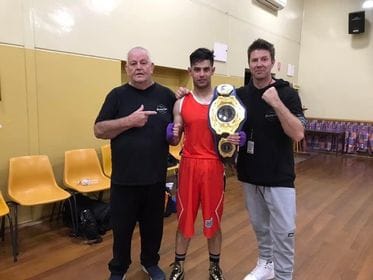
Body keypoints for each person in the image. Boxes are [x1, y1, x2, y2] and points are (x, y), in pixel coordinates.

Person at [94, 46, 176, 280]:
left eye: (143, 62)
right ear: (127, 68)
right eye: (133, 63)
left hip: (156, 178)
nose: (138, 67)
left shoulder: (166, 96)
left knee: (153, 229)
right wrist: (129, 121)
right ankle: (118, 269)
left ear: (152, 67)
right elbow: (99, 130)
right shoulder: (117, 96)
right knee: (122, 230)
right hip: (124, 180)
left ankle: (150, 263)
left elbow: (178, 125)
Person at [167, 48, 243, 280]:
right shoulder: (181, 103)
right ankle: (179, 266)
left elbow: (235, 134)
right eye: (197, 69)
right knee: (184, 219)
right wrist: (171, 132)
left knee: (213, 221)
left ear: (213, 70)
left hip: (213, 167)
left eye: (206, 69)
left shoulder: (225, 102)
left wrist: (239, 139)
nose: (201, 74)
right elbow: (174, 139)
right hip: (189, 165)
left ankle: (214, 267)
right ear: (190, 71)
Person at [236, 39, 306, 280]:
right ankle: (266, 263)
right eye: (254, 60)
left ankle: (284, 275)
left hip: (280, 176)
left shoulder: (287, 93)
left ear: (273, 62)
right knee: (260, 227)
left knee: (284, 231)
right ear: (249, 63)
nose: (259, 64)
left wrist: (276, 102)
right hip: (249, 174)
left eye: (264, 59)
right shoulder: (240, 94)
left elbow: (298, 133)